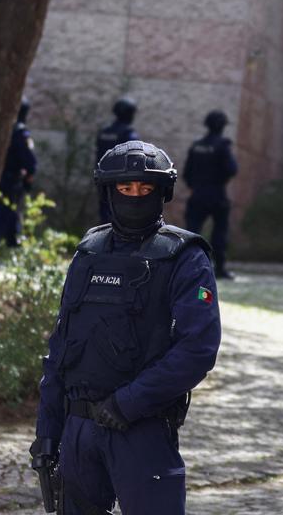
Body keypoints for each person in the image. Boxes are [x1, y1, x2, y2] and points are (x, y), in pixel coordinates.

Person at [30, 140, 221, 515]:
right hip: (78, 431)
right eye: (125, 188)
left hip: (141, 431)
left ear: (161, 192)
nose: (135, 196)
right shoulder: (89, 252)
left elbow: (197, 349)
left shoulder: (185, 257)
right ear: (109, 191)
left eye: (145, 188)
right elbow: (61, 348)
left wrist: (128, 402)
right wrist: (48, 432)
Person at [182, 110, 239, 280]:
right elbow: (232, 169)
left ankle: (186, 266)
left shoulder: (196, 145)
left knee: (191, 233)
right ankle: (219, 267)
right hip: (217, 194)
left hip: (197, 194)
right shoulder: (223, 145)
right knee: (219, 233)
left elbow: (186, 173)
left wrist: (196, 185)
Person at [0, 98, 38, 248]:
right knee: (5, 213)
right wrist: (29, 175)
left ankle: (10, 245)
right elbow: (30, 161)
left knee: (8, 214)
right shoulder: (20, 132)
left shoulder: (1, 128)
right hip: (11, 180)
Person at [96, 97, 140, 224]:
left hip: (103, 179)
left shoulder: (104, 132)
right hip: (122, 182)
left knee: (104, 216)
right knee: (121, 218)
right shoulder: (128, 135)